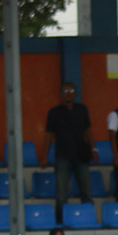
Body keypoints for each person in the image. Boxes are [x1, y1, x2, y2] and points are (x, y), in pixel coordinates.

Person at [42, 82, 93, 221]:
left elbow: (88, 130)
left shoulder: (82, 109)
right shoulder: (54, 112)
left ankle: (89, 218)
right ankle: (61, 222)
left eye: (72, 90)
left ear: (75, 93)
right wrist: (44, 156)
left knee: (86, 191)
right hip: (62, 156)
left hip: (81, 156)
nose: (69, 93)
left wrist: (93, 149)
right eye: (66, 90)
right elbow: (49, 135)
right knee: (62, 194)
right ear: (61, 93)